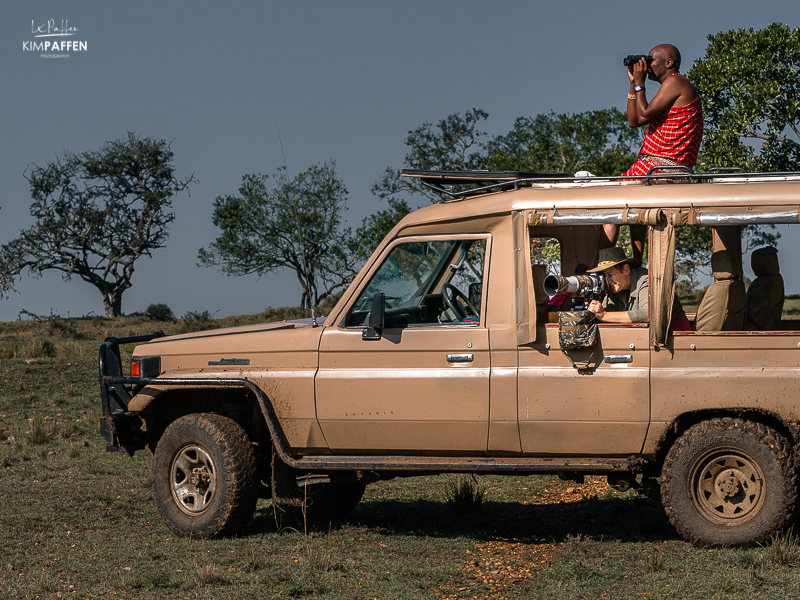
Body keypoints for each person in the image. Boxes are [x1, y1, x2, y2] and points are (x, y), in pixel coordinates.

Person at [602, 44, 704, 260]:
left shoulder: (676, 81)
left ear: (669, 63)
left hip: (664, 166)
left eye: (651, 60)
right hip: (659, 166)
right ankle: (637, 261)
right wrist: (633, 84)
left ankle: (603, 263)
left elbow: (644, 113)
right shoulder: (669, 87)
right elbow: (634, 120)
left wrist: (640, 84)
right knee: (636, 210)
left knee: (609, 202)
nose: (647, 66)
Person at [586, 248, 648, 323]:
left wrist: (605, 316)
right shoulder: (615, 287)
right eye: (604, 276)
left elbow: (647, 313)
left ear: (626, 270)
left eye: (610, 274)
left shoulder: (645, 279)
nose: (607, 280)